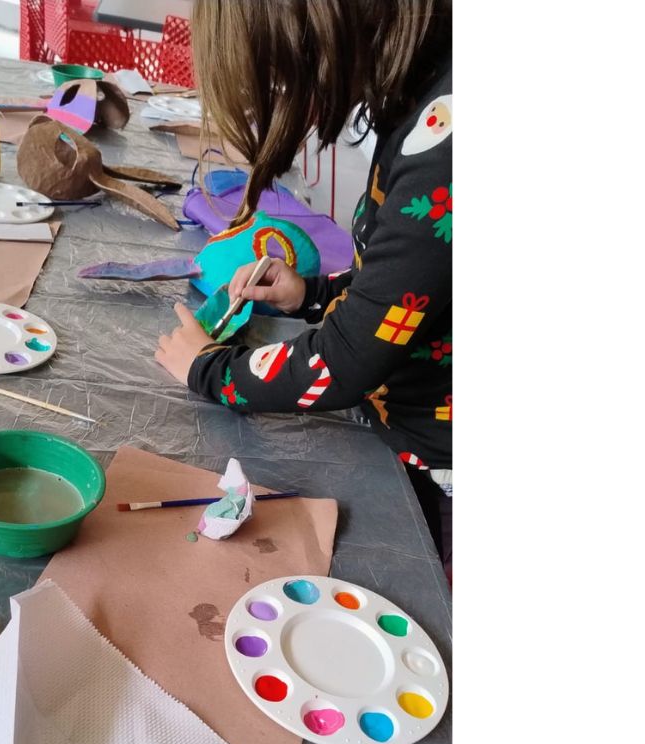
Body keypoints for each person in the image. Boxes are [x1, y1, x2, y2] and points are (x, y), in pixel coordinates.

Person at [152, 0, 453, 572]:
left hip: (438, 463)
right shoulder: (420, 91)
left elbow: (347, 360)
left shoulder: (448, 141)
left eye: (282, 82)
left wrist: (209, 369)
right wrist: (310, 294)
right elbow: (408, 288)